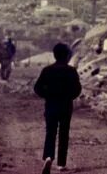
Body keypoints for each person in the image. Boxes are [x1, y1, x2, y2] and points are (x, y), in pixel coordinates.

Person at [34, 43, 82, 173]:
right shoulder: (71, 71)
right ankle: (61, 163)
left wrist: (47, 96)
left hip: (51, 105)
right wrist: (69, 97)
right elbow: (78, 89)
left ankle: (49, 157)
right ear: (67, 55)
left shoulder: (47, 70)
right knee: (64, 133)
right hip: (65, 106)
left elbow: (37, 88)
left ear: (54, 55)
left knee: (50, 132)